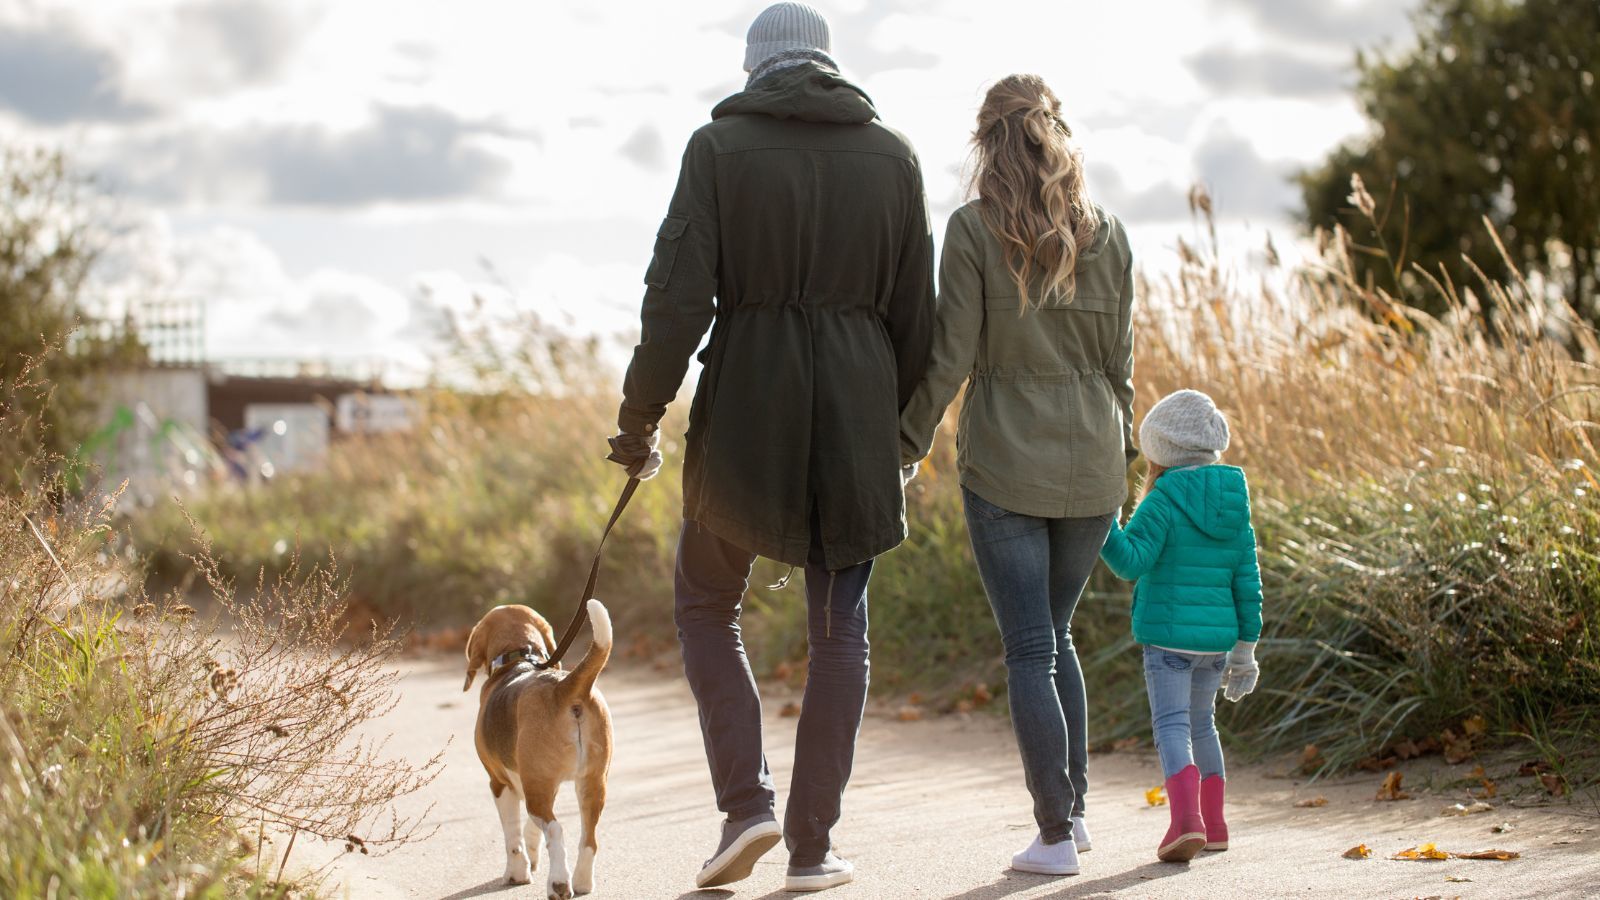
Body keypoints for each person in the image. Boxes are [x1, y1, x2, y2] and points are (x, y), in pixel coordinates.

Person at [607, 2, 934, 892]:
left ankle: (745, 807)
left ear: (755, 66)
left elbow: (675, 302)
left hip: (748, 407)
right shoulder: (895, 157)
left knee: (708, 605)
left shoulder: (717, 151)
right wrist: (894, 434)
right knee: (840, 635)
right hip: (857, 420)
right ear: (829, 63)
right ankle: (812, 850)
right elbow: (918, 322)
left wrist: (638, 421)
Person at [899, 74, 1136, 877]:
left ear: (986, 141)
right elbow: (1122, 369)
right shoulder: (1112, 234)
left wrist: (906, 443)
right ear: (1055, 134)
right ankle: (1075, 817)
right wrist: (1127, 461)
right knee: (1054, 636)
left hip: (1005, 462)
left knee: (1031, 645)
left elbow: (949, 358)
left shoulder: (971, 231)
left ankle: (1056, 834)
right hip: (1096, 464)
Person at [1099, 389, 1263, 863]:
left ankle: (1184, 822)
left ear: (1161, 452)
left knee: (1172, 725)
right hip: (1217, 643)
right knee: (1203, 725)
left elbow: (1130, 563)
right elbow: (1247, 581)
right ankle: (1214, 825)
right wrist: (1245, 650)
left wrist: (1104, 524)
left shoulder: (1164, 499)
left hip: (1168, 639)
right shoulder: (1234, 502)